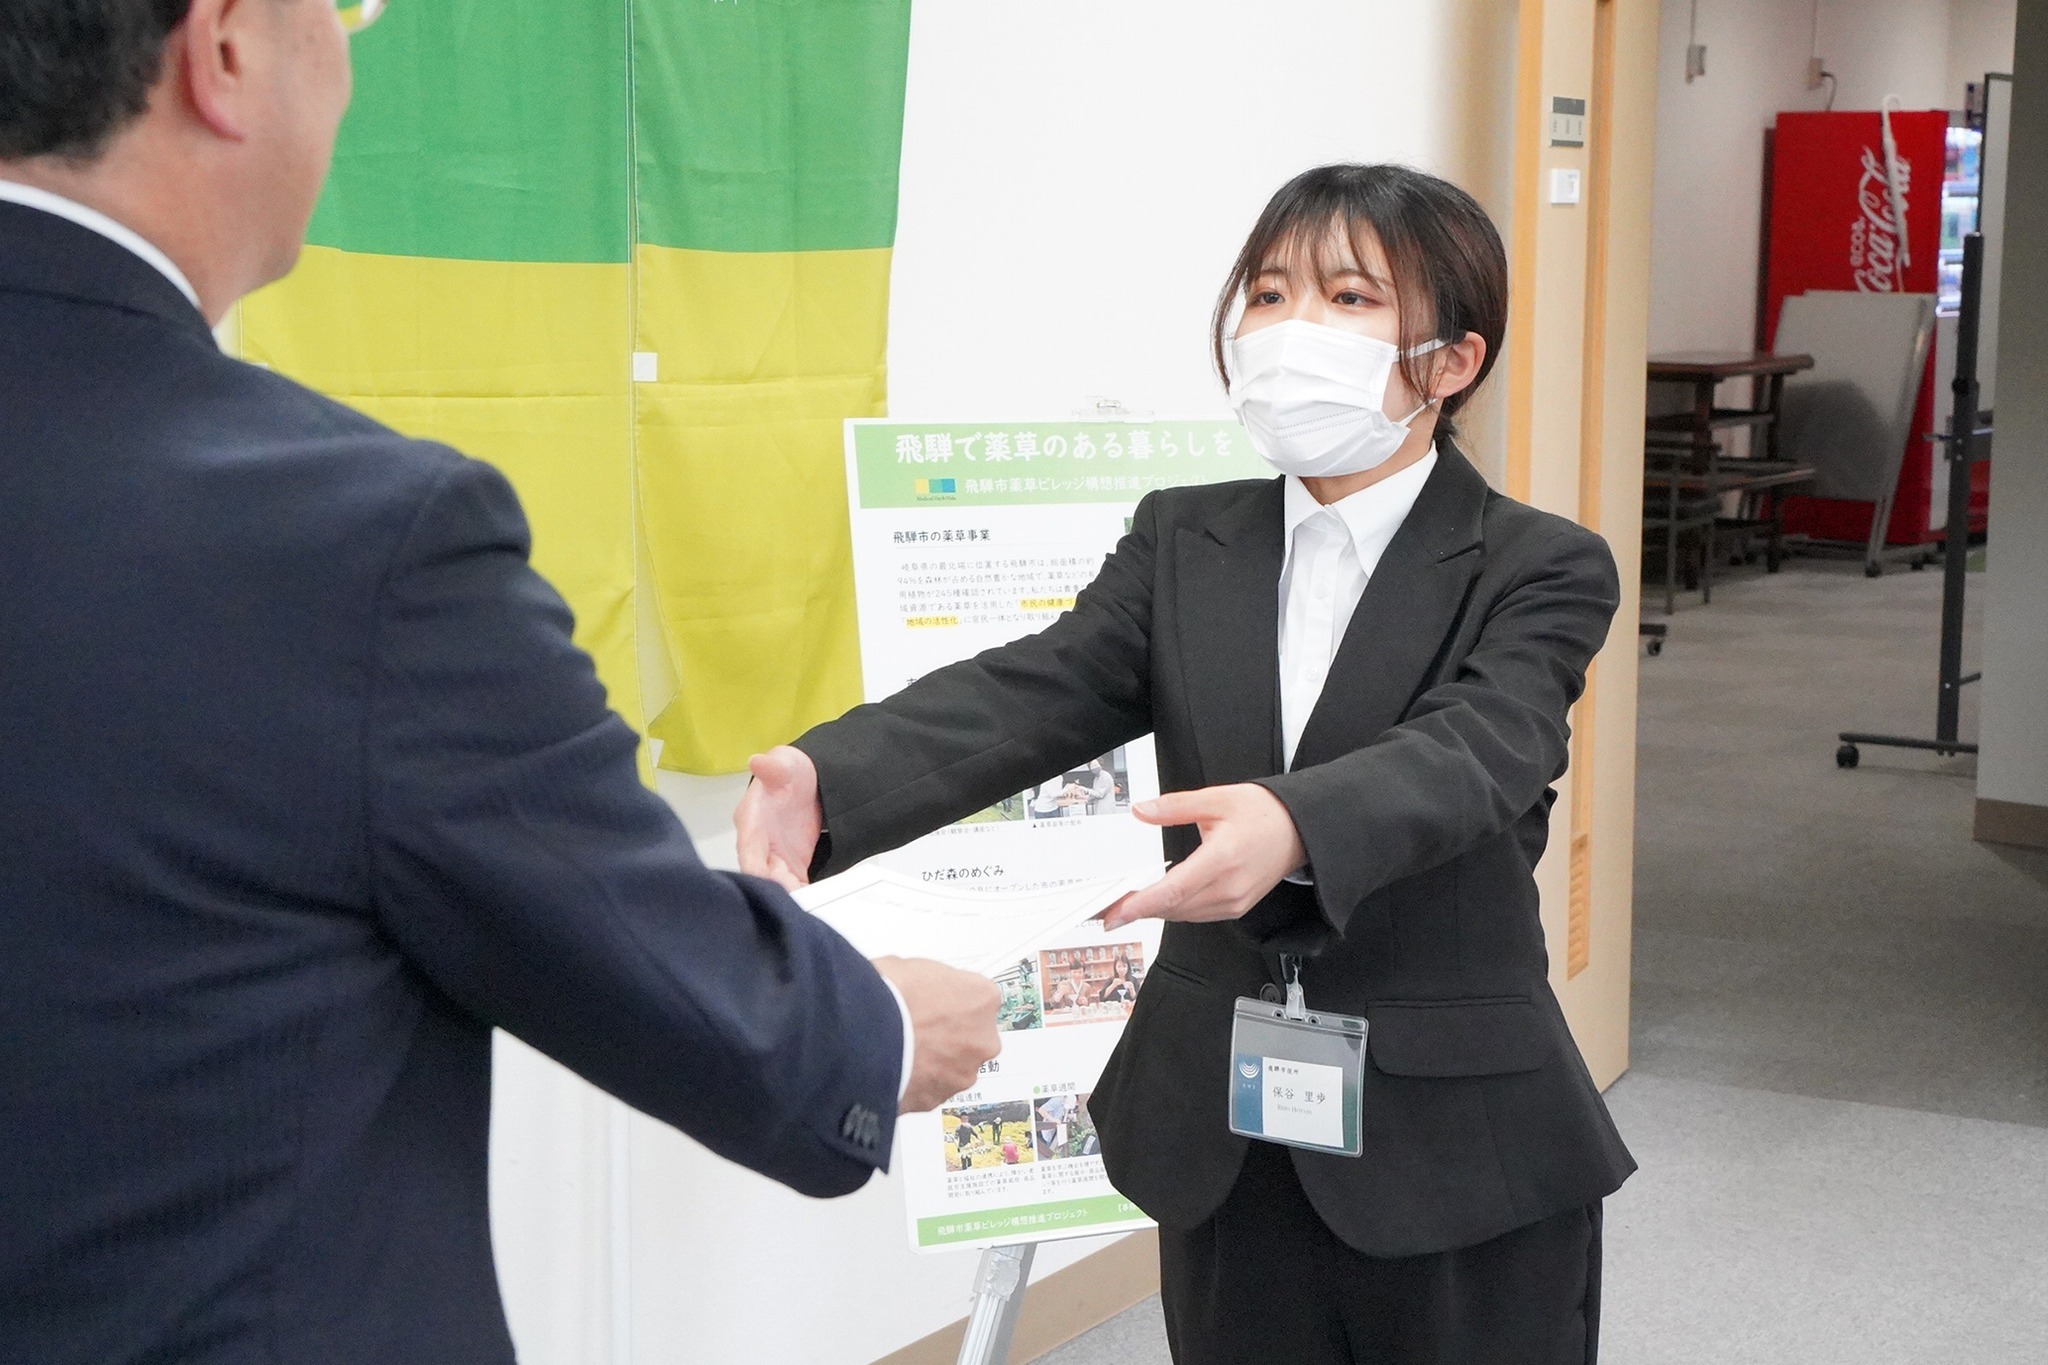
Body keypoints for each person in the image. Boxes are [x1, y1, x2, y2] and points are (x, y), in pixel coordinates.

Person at [0, 2, 1001, 1361]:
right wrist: (878, 1026)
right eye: (341, 15)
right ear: (223, 48)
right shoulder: (356, 536)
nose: (349, 56)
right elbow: (636, 949)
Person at [740, 163, 1636, 1364]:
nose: (1288, 328)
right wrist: (830, 776)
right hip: (1218, 1117)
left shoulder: (1537, 563)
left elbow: (1480, 747)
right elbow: (1037, 687)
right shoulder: (1184, 535)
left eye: (1348, 297)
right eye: (1266, 293)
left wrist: (1293, 822)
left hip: (1454, 1129)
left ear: (1449, 362)